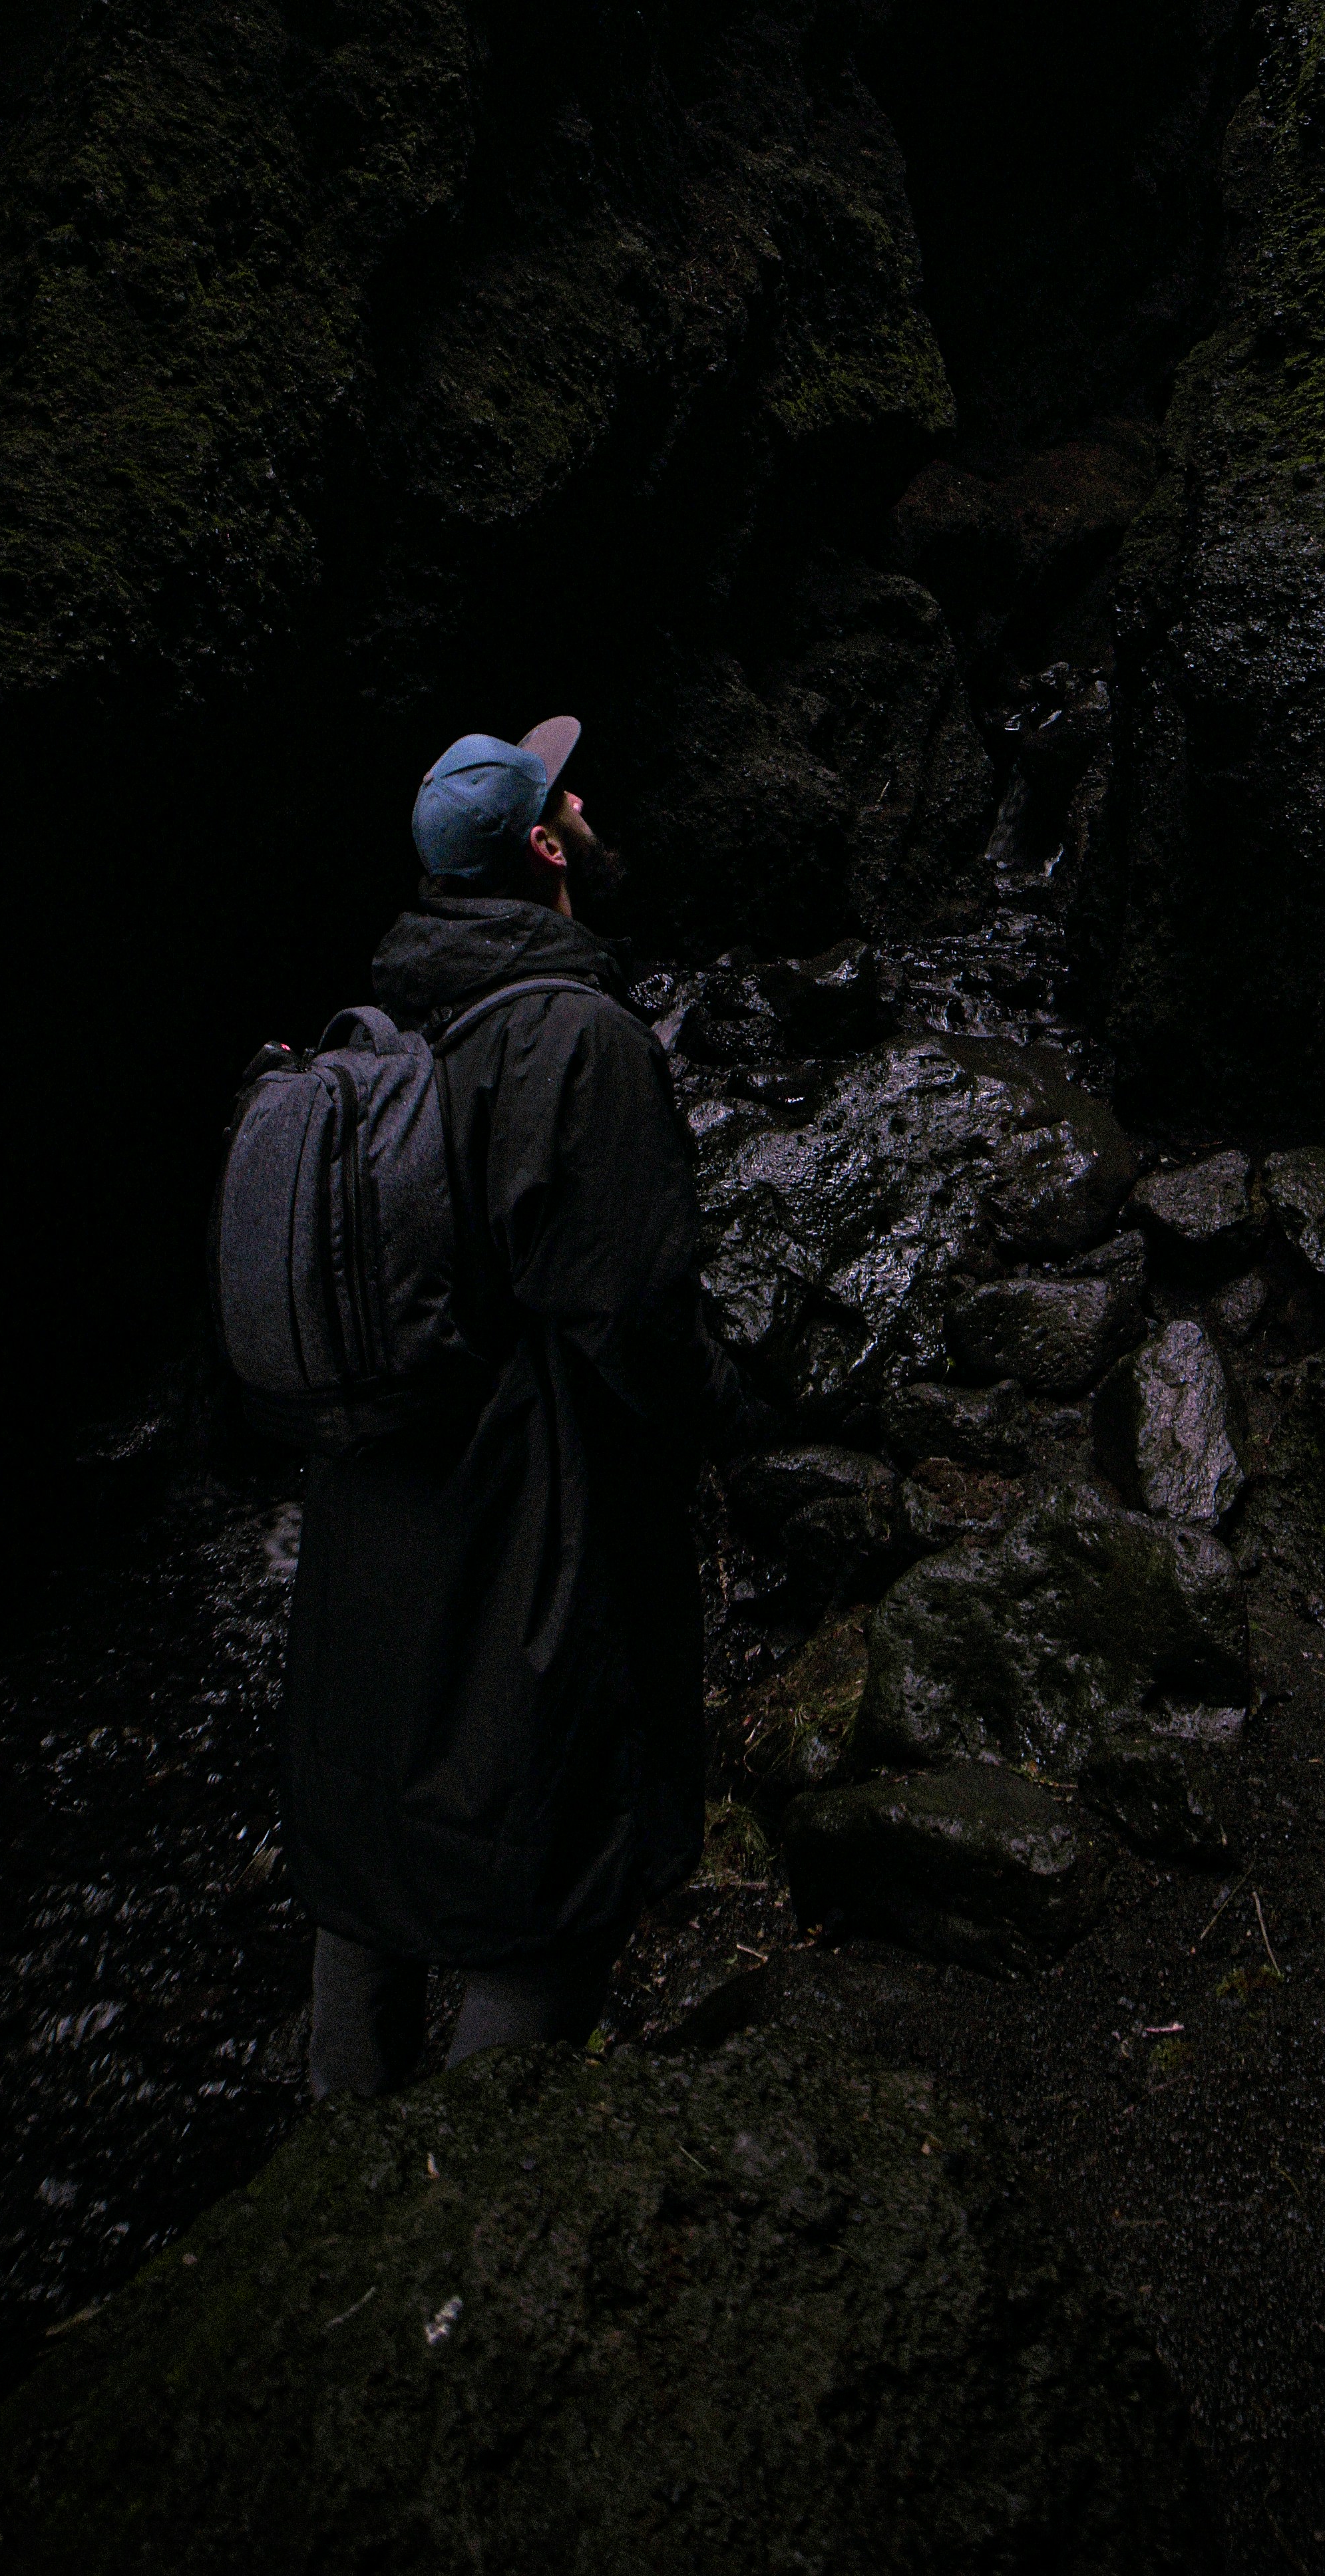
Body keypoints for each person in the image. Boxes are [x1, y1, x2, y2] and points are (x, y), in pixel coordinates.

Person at [285, 711, 763, 2094]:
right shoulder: (574, 1037)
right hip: (523, 1521)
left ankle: (340, 2164)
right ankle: (485, 2182)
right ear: (547, 849)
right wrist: (744, 1419)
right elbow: (630, 1317)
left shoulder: (383, 1021)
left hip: (371, 1515)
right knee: (547, 1874)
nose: (586, 804)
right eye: (567, 798)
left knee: (372, 1857)